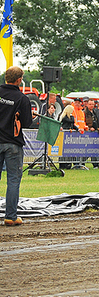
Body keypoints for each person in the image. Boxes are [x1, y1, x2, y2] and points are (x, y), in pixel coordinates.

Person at [0, 66, 35, 226]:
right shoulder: (22, 98)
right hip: (12, 144)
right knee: (13, 180)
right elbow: (27, 122)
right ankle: (10, 216)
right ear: (19, 80)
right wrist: (28, 114)